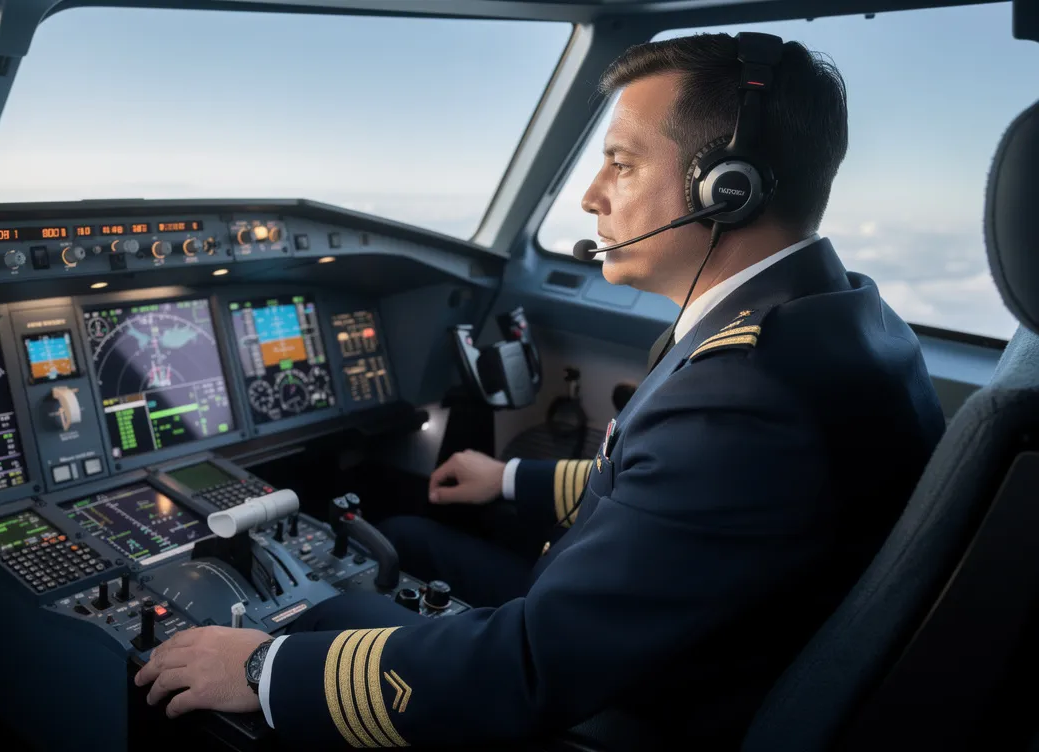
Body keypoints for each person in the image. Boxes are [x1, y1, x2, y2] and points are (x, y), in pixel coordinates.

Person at [132, 31, 946, 749]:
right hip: (693, 646)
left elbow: (530, 668)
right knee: (409, 537)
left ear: (726, 188)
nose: (591, 196)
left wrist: (270, 667)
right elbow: (674, 493)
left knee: (306, 620)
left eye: (621, 164)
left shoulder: (746, 392)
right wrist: (509, 478)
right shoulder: (841, 318)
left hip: (635, 711)